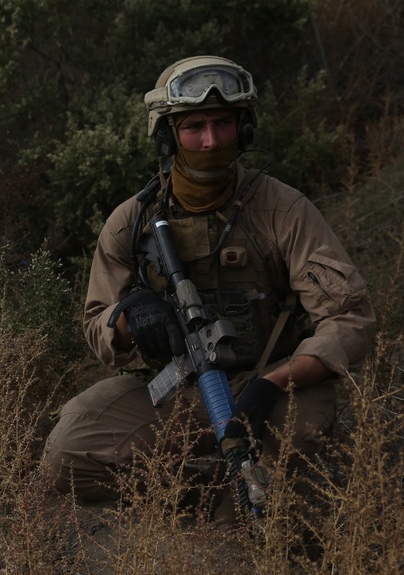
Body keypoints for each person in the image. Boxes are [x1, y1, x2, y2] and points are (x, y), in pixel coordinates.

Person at [42, 55, 376, 518]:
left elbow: (349, 318)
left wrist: (273, 383)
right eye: (194, 126)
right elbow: (96, 324)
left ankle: (246, 504)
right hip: (176, 385)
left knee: (297, 439)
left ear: (245, 129)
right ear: (167, 135)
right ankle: (198, 493)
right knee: (67, 454)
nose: (211, 140)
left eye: (223, 123)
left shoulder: (284, 210)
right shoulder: (131, 222)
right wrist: (130, 318)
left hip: (270, 382)